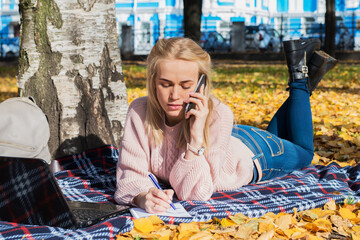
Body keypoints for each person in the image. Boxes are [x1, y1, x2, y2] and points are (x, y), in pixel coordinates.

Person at [114, 37, 337, 213]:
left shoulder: (217, 114)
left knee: (305, 153)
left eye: (185, 85)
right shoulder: (139, 111)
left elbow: (195, 193)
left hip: (255, 155)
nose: (174, 95)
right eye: (165, 84)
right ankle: (308, 76)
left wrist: (195, 136)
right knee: (278, 136)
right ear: (153, 82)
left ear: (201, 84)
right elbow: (129, 177)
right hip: (231, 139)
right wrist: (141, 197)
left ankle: (299, 78)